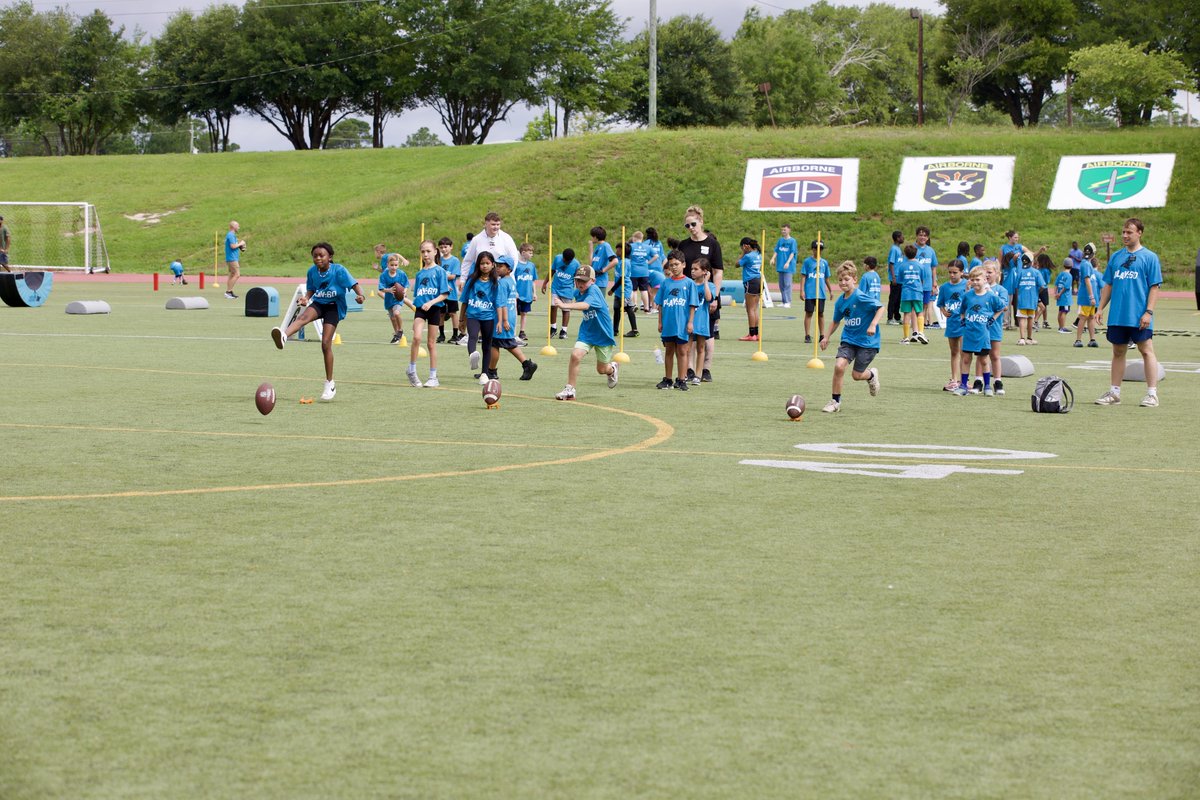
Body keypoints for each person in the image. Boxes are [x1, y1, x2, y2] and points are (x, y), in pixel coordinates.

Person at [270, 242, 363, 401]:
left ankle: (329, 383)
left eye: (322, 255)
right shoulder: (312, 272)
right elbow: (311, 289)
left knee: (326, 344)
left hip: (334, 306)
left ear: (330, 257)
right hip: (319, 302)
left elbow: (354, 284)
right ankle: (284, 336)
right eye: (315, 256)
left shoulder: (338, 270)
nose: (318, 258)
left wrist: (361, 296)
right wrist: (306, 298)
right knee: (303, 317)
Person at [1095, 217, 1162, 407]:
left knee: (1146, 350)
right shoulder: (1116, 257)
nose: (1125, 235)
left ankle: (1152, 394)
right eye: (1123, 232)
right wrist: (1100, 308)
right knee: (1118, 351)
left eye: (1129, 232)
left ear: (1139, 233)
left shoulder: (1149, 257)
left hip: (1139, 314)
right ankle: (1114, 393)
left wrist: (1148, 312)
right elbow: (1108, 284)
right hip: (1118, 314)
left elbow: (1154, 287)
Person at [818, 261, 884, 412]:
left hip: (867, 342)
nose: (843, 283)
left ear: (855, 279)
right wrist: (826, 337)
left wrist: (873, 324)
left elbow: (880, 307)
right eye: (840, 280)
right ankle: (835, 402)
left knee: (856, 375)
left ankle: (871, 375)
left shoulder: (860, 296)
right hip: (848, 339)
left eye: (847, 279)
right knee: (839, 366)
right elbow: (835, 321)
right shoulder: (840, 301)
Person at [550, 265, 618, 400]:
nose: (580, 284)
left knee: (602, 369)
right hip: (587, 332)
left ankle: (613, 369)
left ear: (592, 280)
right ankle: (570, 389)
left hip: (602, 333)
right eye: (578, 280)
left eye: (584, 281)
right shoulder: (577, 293)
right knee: (575, 355)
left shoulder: (594, 290)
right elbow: (576, 299)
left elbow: (585, 305)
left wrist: (564, 305)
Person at [954, 265, 1006, 397]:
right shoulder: (967, 295)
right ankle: (963, 386)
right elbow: (962, 310)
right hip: (969, 333)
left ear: (985, 280)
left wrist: (993, 319)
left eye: (978, 279)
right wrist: (963, 319)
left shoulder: (990, 296)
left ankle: (988, 386)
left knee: (983, 360)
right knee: (966, 359)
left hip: (983, 334)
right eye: (973, 279)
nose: (975, 282)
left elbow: (1002, 307)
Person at [677, 205, 723, 353]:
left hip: (707, 293)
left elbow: (717, 272)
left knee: (707, 335)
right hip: (689, 294)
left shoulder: (712, 244)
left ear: (701, 222)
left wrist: (714, 297)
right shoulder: (683, 245)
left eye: (693, 224)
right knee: (688, 333)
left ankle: (706, 370)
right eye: (687, 225)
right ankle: (689, 370)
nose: (690, 227)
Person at [406, 240, 449, 388]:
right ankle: (411, 370)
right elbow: (417, 296)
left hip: (434, 309)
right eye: (423, 252)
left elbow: (444, 294)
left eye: (428, 251)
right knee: (416, 337)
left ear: (435, 252)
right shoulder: (419, 274)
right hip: (420, 310)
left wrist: (431, 302)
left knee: (431, 343)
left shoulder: (440, 271)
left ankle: (433, 377)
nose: (425, 254)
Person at [654, 250, 698, 391]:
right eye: (671, 265)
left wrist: (690, 322)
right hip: (668, 323)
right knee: (669, 351)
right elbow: (660, 304)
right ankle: (667, 379)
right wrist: (660, 321)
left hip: (682, 324)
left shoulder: (689, 283)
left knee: (682, 351)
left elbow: (692, 305)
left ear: (684, 265)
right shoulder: (666, 283)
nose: (674, 267)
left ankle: (681, 379)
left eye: (677, 264)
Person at [489, 258, 538, 382]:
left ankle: (491, 371)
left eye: (501, 266)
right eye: (497, 265)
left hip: (502, 318)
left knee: (494, 344)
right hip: (510, 316)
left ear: (509, 269)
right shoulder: (510, 281)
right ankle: (527, 365)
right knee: (509, 344)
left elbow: (502, 304)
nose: (498, 268)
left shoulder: (502, 283)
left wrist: (503, 321)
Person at [458, 250, 499, 383]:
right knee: (473, 336)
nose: (485, 266)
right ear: (478, 265)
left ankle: (484, 374)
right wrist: (461, 319)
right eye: (482, 263)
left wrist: (500, 321)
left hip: (489, 317)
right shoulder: (472, 280)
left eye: (487, 263)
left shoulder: (495, 282)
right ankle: (473, 355)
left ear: (493, 264)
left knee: (487, 344)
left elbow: (498, 303)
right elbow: (464, 300)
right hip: (473, 315)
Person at [460, 212, 519, 298]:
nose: (496, 227)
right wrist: (463, 279)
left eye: (498, 224)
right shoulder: (476, 239)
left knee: (503, 307)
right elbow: (468, 261)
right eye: (493, 224)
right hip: (482, 280)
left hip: (501, 279)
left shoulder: (507, 238)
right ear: (486, 224)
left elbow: (514, 259)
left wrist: (507, 275)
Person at [936, 259, 969, 391]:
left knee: (963, 352)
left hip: (963, 323)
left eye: (955, 272)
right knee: (954, 352)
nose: (952, 275)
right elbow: (940, 303)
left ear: (961, 272)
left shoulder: (967, 285)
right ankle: (954, 379)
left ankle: (963, 379)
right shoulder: (944, 287)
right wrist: (943, 311)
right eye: (950, 272)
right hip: (951, 323)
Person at [687, 258, 714, 385]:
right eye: (692, 269)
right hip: (689, 319)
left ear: (704, 271)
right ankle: (687, 372)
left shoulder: (709, 285)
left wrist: (706, 282)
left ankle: (698, 374)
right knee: (687, 347)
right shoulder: (689, 284)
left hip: (702, 320)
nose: (692, 271)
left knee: (701, 347)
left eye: (696, 269)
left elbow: (708, 298)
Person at [543, 247, 580, 339]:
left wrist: (578, 291)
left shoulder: (576, 264)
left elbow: (577, 279)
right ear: (562, 257)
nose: (566, 262)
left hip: (567, 289)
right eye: (564, 260)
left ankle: (564, 330)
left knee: (566, 309)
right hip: (556, 287)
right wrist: (545, 283)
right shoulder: (557, 258)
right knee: (553, 306)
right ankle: (553, 328)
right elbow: (552, 271)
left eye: (568, 261)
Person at [800, 240, 831, 344]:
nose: (818, 251)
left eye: (821, 249)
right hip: (810, 292)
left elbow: (826, 278)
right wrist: (802, 290)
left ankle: (822, 335)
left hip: (821, 293)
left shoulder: (824, 263)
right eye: (816, 249)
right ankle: (807, 335)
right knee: (809, 313)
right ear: (812, 249)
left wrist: (830, 291)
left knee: (820, 313)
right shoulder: (807, 262)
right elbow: (803, 277)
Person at [1014, 253, 1046, 346]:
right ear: (1031, 262)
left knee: (1022, 319)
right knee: (1031, 318)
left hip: (1022, 299)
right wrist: (1036, 292)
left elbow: (1016, 286)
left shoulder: (1020, 272)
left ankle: (1022, 339)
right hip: (1032, 299)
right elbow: (1043, 286)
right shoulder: (1036, 272)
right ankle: (1029, 338)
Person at [897, 243, 926, 344]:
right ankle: (921, 333)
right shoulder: (920, 266)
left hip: (906, 293)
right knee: (920, 312)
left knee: (907, 314)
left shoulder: (902, 266)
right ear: (916, 253)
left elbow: (900, 280)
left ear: (905, 254)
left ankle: (906, 338)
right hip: (917, 292)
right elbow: (922, 279)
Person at [377, 253, 409, 344]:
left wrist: (404, 291)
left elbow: (406, 284)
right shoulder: (384, 275)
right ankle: (397, 334)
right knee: (392, 318)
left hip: (398, 299)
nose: (394, 267)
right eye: (392, 265)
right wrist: (389, 290)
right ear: (387, 265)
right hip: (389, 299)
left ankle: (400, 330)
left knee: (396, 313)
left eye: (396, 265)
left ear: (398, 265)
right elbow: (381, 288)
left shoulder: (401, 274)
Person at [737, 236, 763, 342]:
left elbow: (737, 264)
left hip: (750, 282)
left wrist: (743, 253)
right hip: (758, 281)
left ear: (745, 246)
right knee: (754, 309)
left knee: (750, 309)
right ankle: (756, 333)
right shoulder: (758, 254)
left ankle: (751, 334)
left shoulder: (748, 256)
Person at [608, 248, 638, 338]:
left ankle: (635, 330)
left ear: (622, 251)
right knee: (616, 309)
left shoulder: (625, 262)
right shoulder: (620, 261)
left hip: (625, 290)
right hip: (618, 291)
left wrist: (612, 289)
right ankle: (615, 330)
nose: (616, 251)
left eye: (617, 250)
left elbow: (622, 278)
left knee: (628, 308)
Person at [1074, 248, 1101, 348]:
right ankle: (1078, 339)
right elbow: (1087, 280)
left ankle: (1092, 339)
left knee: (1091, 317)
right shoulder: (1085, 264)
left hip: (1090, 298)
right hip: (1086, 297)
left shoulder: (1088, 264)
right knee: (1083, 317)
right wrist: (1091, 296)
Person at [437, 237, 461, 344]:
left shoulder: (455, 260)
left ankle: (455, 335)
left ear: (451, 247)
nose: (443, 249)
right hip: (441, 292)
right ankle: (441, 335)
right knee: (441, 314)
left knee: (452, 313)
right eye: (441, 247)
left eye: (446, 247)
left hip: (451, 293)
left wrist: (443, 278)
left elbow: (453, 276)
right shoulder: (438, 260)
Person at [914, 225, 938, 328]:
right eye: (920, 235)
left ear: (927, 238)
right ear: (916, 236)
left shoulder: (930, 251)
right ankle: (915, 325)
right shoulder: (912, 249)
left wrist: (934, 283)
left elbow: (933, 268)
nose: (922, 237)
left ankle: (922, 325)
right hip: (915, 284)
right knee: (915, 305)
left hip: (928, 284)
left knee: (925, 305)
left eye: (925, 235)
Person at [513, 242, 538, 343]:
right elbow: (512, 279)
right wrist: (515, 292)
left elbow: (533, 280)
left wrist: (534, 293)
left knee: (524, 313)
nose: (531, 254)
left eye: (532, 253)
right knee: (514, 313)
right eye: (530, 252)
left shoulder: (531, 266)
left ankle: (522, 332)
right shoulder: (516, 265)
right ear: (523, 253)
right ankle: (512, 332)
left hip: (527, 295)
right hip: (517, 295)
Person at [771, 223, 798, 308]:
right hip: (780, 265)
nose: (783, 231)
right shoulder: (780, 240)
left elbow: (792, 253)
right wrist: (773, 258)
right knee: (781, 284)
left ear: (789, 230)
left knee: (787, 284)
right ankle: (783, 301)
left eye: (785, 230)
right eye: (782, 230)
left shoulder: (792, 241)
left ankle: (788, 301)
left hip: (788, 266)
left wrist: (788, 262)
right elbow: (776, 250)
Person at [628, 231, 653, 314]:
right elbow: (656, 255)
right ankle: (646, 308)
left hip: (633, 271)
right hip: (644, 271)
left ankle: (633, 305)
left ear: (634, 238)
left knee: (633, 290)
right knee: (644, 290)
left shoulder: (631, 246)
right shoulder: (647, 247)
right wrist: (648, 262)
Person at [589, 225, 617, 293]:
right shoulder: (597, 247)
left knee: (599, 302)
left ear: (595, 237)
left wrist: (602, 271)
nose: (591, 238)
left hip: (600, 282)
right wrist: (591, 249)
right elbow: (590, 264)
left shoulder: (605, 246)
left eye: (592, 236)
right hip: (593, 280)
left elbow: (615, 261)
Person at [886, 230, 904, 324]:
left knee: (898, 299)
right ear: (897, 238)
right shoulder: (894, 249)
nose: (903, 238)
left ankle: (897, 317)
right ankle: (890, 318)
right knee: (893, 298)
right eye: (902, 236)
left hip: (901, 279)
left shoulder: (899, 249)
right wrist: (893, 277)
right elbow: (891, 264)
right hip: (895, 278)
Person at [223, 220, 245, 299]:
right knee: (237, 274)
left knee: (232, 274)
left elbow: (233, 246)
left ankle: (229, 291)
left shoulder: (231, 235)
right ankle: (228, 292)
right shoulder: (231, 235)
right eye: (238, 226)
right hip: (232, 258)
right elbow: (232, 246)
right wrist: (241, 243)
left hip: (232, 257)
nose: (239, 227)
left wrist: (240, 247)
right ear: (234, 227)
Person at [1054, 258, 1074, 332]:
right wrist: (1059, 294)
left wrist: (1055, 293)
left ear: (1064, 265)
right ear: (1072, 265)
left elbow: (1056, 284)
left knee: (1061, 311)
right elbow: (1066, 287)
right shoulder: (1069, 275)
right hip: (1065, 297)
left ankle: (1060, 327)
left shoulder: (1061, 274)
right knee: (1064, 312)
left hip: (1060, 296)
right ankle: (1062, 328)